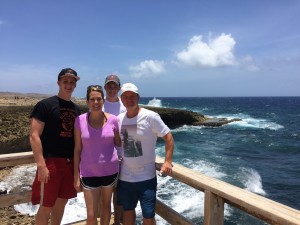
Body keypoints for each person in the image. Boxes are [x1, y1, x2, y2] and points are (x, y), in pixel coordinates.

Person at [117, 83, 174, 225]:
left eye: (132, 96)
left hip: (146, 177)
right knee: (128, 211)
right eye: (126, 97)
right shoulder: (119, 119)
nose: (129, 99)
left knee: (148, 215)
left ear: (138, 97)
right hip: (125, 177)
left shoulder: (150, 116)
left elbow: (168, 137)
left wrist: (167, 161)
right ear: (121, 99)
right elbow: (119, 143)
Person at [30, 68, 81, 225]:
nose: (69, 85)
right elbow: (34, 135)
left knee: (61, 204)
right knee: (46, 205)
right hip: (51, 162)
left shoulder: (76, 109)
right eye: (65, 81)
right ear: (58, 82)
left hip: (69, 163)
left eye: (72, 82)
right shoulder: (45, 105)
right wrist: (41, 165)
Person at [73, 85, 121, 225]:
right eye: (92, 99)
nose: (96, 102)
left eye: (99, 99)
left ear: (103, 101)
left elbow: (118, 143)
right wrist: (76, 176)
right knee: (91, 214)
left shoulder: (113, 120)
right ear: (87, 102)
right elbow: (77, 149)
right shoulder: (79, 120)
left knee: (106, 208)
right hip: (88, 173)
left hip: (110, 172)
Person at [103, 74, 126, 225]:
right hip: (103, 156)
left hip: (123, 156)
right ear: (105, 87)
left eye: (114, 86)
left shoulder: (125, 106)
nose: (112, 89)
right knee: (104, 194)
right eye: (109, 86)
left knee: (119, 193)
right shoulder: (99, 104)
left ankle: (117, 222)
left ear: (119, 88)